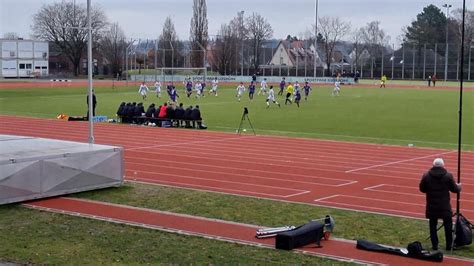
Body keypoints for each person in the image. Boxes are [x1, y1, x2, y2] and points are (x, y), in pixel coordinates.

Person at [419, 158, 462, 251]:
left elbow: (422, 189)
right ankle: (449, 245)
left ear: (433, 165)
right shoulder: (448, 176)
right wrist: (459, 187)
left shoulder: (426, 175)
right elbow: (455, 189)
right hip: (444, 206)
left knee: (432, 225)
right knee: (448, 225)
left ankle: (435, 245)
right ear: (443, 165)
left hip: (431, 205)